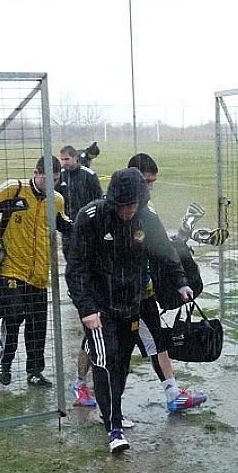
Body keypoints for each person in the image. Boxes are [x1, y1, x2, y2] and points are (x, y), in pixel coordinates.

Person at [65, 167, 192, 453]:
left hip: (131, 303)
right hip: (98, 307)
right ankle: (115, 429)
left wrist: (181, 282)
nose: (128, 211)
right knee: (106, 360)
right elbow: (76, 269)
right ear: (113, 201)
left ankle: (113, 412)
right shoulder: (91, 218)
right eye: (122, 205)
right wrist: (87, 308)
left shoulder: (147, 218)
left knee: (121, 363)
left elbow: (165, 252)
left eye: (133, 205)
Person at [0, 156, 72, 387]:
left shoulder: (57, 200)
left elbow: (65, 224)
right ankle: (5, 363)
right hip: (12, 269)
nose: (51, 185)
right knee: (14, 315)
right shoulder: (14, 189)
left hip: (40, 273)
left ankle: (34, 371)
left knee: (37, 324)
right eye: (47, 179)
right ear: (35, 173)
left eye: (55, 180)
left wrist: (87, 229)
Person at [127, 153, 207, 413]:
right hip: (115, 297)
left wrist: (181, 280)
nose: (150, 187)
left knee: (157, 341)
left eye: (153, 182)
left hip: (143, 292)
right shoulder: (111, 210)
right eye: (146, 181)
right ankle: (82, 384)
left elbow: (161, 246)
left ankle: (174, 395)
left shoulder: (147, 210)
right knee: (102, 347)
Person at [58, 145, 105, 408]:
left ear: (76, 158)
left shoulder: (89, 175)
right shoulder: (61, 177)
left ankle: (96, 380)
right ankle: (82, 383)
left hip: (87, 230)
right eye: (62, 159)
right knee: (74, 265)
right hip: (69, 232)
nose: (64, 162)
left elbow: (99, 200)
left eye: (67, 158)